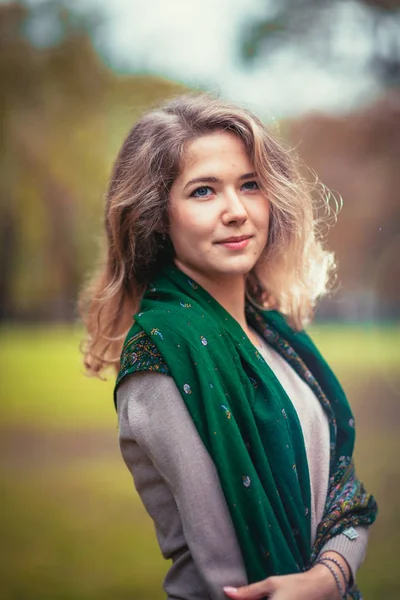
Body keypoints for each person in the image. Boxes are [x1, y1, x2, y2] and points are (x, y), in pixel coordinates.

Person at [80, 93, 378, 600]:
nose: (236, 211)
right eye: (203, 192)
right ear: (158, 216)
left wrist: (327, 577)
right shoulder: (164, 355)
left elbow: (345, 495)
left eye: (250, 185)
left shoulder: (278, 334)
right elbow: (232, 576)